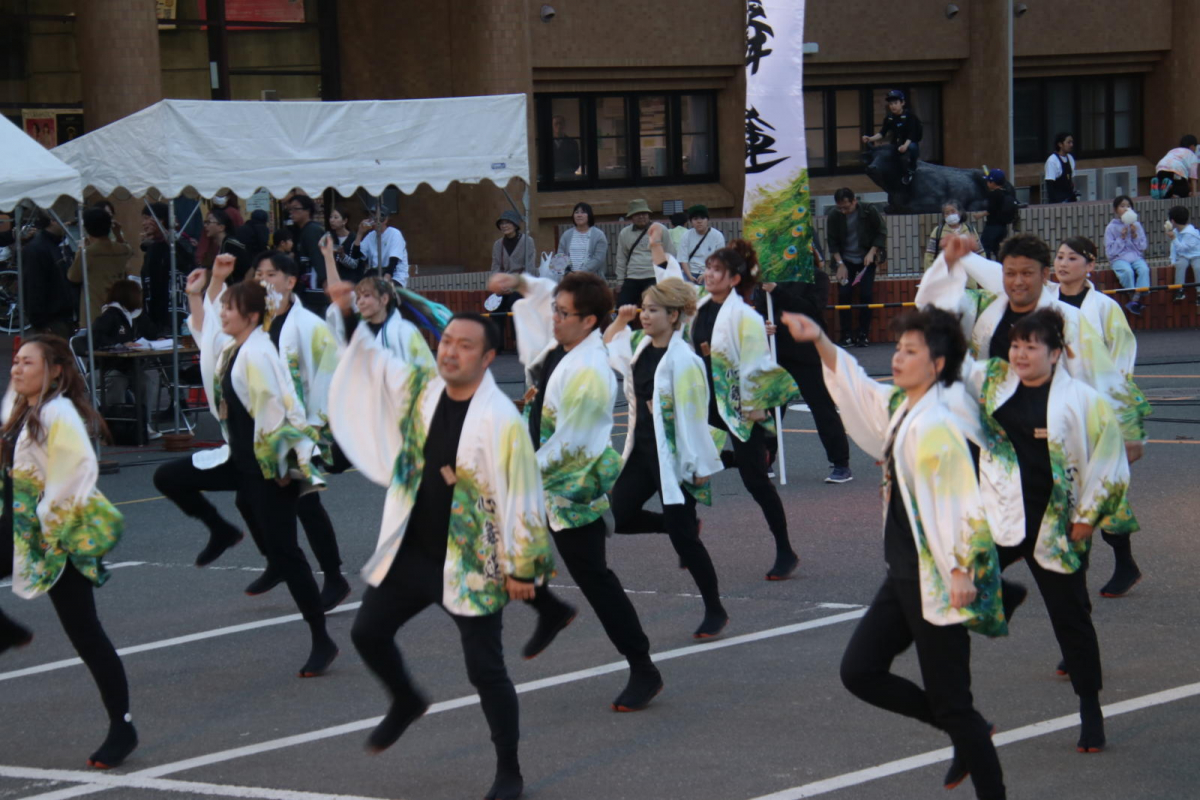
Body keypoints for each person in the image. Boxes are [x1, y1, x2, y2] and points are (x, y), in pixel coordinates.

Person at [779, 307, 1007, 800]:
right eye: (898, 348)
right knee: (860, 672)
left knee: (954, 705)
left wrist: (961, 569)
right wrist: (819, 340)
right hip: (905, 572)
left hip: (939, 578)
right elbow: (859, 389)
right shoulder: (906, 407)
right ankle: (964, 728)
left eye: (910, 351)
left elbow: (962, 502)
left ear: (938, 364)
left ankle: (969, 737)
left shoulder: (939, 425)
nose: (898, 358)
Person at [328, 308, 553, 800]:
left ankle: (509, 769)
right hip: (413, 552)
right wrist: (347, 313)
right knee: (367, 632)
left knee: (485, 670)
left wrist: (523, 569)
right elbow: (380, 365)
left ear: (489, 358)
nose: (450, 351)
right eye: (446, 341)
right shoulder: (426, 390)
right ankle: (406, 699)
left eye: (465, 345)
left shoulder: (501, 420)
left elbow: (524, 496)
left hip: (472, 559)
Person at [955, 306, 1130, 754]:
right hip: (999, 516)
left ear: (1056, 354)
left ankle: (1090, 708)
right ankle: (1005, 594)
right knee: (952, 584)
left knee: (1071, 618)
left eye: (1031, 347)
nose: (1020, 354)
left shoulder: (1081, 400)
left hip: (1054, 525)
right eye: (1016, 345)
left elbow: (1110, 459)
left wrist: (1088, 516)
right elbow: (950, 363)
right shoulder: (994, 383)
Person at [489, 268, 665, 712]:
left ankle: (643, 667)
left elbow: (572, 446)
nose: (554, 317)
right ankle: (550, 608)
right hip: (541, 480)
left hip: (571, 488)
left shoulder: (589, 372)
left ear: (588, 321)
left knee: (596, 580)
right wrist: (518, 283)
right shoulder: (564, 348)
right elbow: (544, 294)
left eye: (563, 313)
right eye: (555, 309)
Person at [152, 259, 338, 677]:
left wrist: (282, 472)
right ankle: (221, 529)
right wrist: (203, 291)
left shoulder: (257, 354)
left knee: (288, 554)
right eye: (223, 307)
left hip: (268, 468)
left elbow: (276, 413)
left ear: (252, 316)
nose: (222, 314)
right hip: (239, 459)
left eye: (229, 308)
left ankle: (321, 638)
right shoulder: (236, 347)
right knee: (168, 476)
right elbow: (206, 333)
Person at [0, 335, 136, 769]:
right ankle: (7, 631)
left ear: (55, 370)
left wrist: (47, 521)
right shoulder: (22, 409)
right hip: (21, 526)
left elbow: (79, 471)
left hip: (58, 535)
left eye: (28, 362)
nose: (17, 368)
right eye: (15, 361)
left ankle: (122, 726)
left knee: (86, 633)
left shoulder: (58, 413)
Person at [604, 278, 728, 638]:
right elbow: (608, 348)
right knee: (619, 516)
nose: (645, 316)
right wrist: (620, 319)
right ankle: (668, 525)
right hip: (641, 452)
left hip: (674, 459)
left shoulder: (684, 360)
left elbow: (695, 415)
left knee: (685, 540)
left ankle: (715, 609)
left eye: (653, 310)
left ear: (674, 316)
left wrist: (700, 465)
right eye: (644, 309)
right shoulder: (640, 347)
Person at [245, 250, 351, 610]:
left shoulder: (307, 325)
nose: (263, 281)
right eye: (258, 275)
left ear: (290, 282)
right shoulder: (254, 321)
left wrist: (313, 426)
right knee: (250, 496)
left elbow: (329, 374)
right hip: (264, 424)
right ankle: (279, 560)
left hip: (301, 424)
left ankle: (333, 576)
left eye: (270, 275)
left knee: (303, 501)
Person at [690, 239, 801, 579]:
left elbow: (756, 363)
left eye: (717, 270)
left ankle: (786, 549)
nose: (709, 274)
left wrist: (755, 407)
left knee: (756, 482)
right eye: (708, 268)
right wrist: (657, 250)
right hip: (707, 401)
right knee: (689, 466)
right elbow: (670, 287)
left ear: (734, 279)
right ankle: (685, 537)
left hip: (740, 405)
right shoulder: (699, 304)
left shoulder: (745, 316)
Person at [1047, 237, 1145, 598]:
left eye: (1072, 258)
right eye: (1059, 257)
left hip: (1096, 411)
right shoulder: (1044, 301)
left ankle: (1124, 562)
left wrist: (1120, 414)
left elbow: (1121, 359)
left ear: (1090, 265)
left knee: (1102, 486)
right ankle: (1070, 563)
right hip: (1055, 408)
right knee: (1061, 486)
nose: (1063, 263)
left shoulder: (1105, 308)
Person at [755, 276, 854, 484]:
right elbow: (761, 309)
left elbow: (810, 309)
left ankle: (840, 463)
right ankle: (766, 458)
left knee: (822, 408)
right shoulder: (770, 275)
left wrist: (777, 290)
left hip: (808, 353)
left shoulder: (816, 276)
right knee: (771, 410)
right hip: (778, 353)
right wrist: (763, 325)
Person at [90, 279, 162, 440]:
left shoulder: (138, 315)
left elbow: (151, 332)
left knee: (145, 381)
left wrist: (157, 338)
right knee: (117, 382)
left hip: (130, 366)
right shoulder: (110, 316)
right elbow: (96, 339)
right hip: (107, 368)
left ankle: (144, 423)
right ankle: (116, 425)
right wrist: (120, 344)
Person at [825, 188, 886, 347]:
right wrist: (840, 264)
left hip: (866, 259)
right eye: (840, 208)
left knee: (866, 295)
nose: (843, 211)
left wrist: (872, 252)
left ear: (854, 201)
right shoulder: (834, 215)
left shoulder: (868, 210)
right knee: (844, 294)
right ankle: (846, 335)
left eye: (846, 207)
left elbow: (881, 232)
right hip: (845, 260)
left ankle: (863, 334)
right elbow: (832, 242)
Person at [68, 207, 135, 327]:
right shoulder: (121, 249)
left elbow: (73, 277)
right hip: (119, 307)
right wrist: (118, 234)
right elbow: (129, 250)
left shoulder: (87, 253)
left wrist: (80, 251)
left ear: (86, 228)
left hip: (95, 310)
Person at [22, 210, 75, 339]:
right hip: (51, 319)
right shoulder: (37, 248)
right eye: (64, 220)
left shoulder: (59, 245)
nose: (68, 223)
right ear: (52, 221)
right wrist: (39, 322)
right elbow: (33, 286)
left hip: (63, 315)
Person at [615, 199, 676, 310]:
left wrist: (669, 277)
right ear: (631, 217)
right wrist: (620, 281)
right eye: (637, 214)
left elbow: (670, 253)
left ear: (648, 214)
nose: (641, 216)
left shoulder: (661, 229)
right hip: (632, 276)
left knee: (654, 306)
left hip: (654, 275)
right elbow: (621, 258)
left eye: (644, 213)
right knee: (622, 306)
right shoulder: (624, 233)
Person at [489, 210, 536, 350]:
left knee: (514, 302)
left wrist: (514, 285)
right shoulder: (498, 244)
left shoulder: (527, 241)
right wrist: (499, 285)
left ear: (515, 225)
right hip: (503, 284)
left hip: (521, 283)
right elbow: (495, 267)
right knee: (495, 307)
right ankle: (496, 344)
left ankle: (520, 343)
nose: (504, 226)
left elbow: (530, 267)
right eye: (502, 223)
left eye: (507, 222)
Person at [862, 89, 923, 185]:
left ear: (902, 103)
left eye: (895, 103)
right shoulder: (889, 118)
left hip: (910, 142)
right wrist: (870, 138)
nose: (893, 106)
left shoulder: (910, 116)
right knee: (884, 152)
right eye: (891, 104)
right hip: (897, 143)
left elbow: (912, 134)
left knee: (912, 148)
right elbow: (882, 133)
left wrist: (905, 146)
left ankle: (911, 170)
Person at [1103, 196, 1149, 314]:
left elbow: (1143, 247)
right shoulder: (1111, 228)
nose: (1126, 209)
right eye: (1122, 206)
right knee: (1127, 271)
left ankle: (1136, 298)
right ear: (1115, 209)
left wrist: (1135, 235)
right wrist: (1122, 237)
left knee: (1144, 269)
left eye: (1128, 206)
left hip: (1135, 256)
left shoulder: (1136, 225)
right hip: (1119, 258)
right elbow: (1110, 252)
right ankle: (1133, 298)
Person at [286, 194, 328, 313]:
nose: (292, 212)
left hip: (314, 291)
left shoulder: (312, 230)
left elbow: (318, 258)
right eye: (290, 209)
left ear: (307, 211)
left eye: (296, 208)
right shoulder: (301, 231)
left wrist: (325, 281)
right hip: (305, 290)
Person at [923, 200, 982, 270]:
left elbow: (980, 252)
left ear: (960, 212)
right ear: (944, 216)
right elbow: (929, 255)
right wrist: (930, 272)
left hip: (968, 273)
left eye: (953, 212)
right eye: (947, 213)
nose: (950, 215)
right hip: (945, 273)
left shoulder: (970, 229)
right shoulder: (938, 231)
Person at [353, 215, 409, 287]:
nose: (374, 222)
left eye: (376, 220)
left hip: (395, 276)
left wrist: (384, 282)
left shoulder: (395, 233)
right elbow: (356, 255)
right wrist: (360, 233)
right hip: (375, 274)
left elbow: (393, 262)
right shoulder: (371, 236)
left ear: (385, 220)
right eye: (372, 219)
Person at [973, 169, 1016, 261]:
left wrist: (979, 215)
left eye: (988, 181)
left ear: (992, 182)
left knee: (985, 247)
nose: (987, 183)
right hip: (1003, 227)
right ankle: (1002, 266)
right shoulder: (1006, 192)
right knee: (998, 249)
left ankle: (987, 266)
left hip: (992, 226)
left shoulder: (994, 194)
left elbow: (991, 209)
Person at [555, 202, 608, 276]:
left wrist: (581, 273)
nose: (579, 215)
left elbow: (598, 259)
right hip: (569, 278)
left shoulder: (599, 235)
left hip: (591, 278)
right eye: (576, 212)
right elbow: (560, 257)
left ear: (589, 215)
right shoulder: (566, 235)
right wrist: (568, 273)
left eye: (583, 212)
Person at [200, 208, 251, 283]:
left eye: (208, 222)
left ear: (221, 227)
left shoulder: (231, 245)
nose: (205, 225)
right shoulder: (222, 245)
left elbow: (248, 268)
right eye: (205, 222)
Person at [677, 204, 726, 282]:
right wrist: (689, 276)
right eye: (695, 219)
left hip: (710, 272)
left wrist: (706, 274)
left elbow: (719, 259)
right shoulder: (686, 236)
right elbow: (683, 259)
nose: (699, 221)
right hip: (689, 272)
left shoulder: (718, 236)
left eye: (702, 218)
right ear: (691, 222)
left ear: (707, 220)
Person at [1166, 205, 1200, 304]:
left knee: (1198, 267)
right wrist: (1173, 261)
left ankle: (1199, 292)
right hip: (1184, 256)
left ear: (1172, 221)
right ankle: (1179, 289)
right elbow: (1174, 248)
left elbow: (1182, 248)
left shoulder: (1191, 233)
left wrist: (1174, 238)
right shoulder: (1176, 231)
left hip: (1197, 255)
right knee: (1180, 265)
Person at [1152, 134, 1200, 199]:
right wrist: (1194, 193)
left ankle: (1158, 186)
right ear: (1192, 146)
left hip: (1161, 167)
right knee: (1184, 191)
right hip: (1176, 169)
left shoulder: (1173, 150)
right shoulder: (1192, 155)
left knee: (1166, 188)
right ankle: (1170, 188)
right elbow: (1193, 176)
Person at [326, 207, 363, 285]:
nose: (332, 220)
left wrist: (342, 255)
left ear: (345, 221)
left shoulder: (353, 238)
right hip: (333, 281)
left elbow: (354, 264)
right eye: (331, 217)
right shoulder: (329, 236)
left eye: (336, 217)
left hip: (350, 282)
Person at [1044, 132, 1077, 203]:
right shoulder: (1052, 160)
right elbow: (1049, 185)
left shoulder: (1070, 158)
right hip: (1058, 201)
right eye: (1068, 142)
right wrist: (1054, 204)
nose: (1071, 145)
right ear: (1060, 144)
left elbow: (1071, 181)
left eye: (1072, 142)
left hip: (1070, 199)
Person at [551, 114, 581, 180]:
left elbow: (576, 163)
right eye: (556, 124)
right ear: (552, 126)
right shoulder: (547, 144)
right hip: (552, 178)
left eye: (561, 123)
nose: (559, 126)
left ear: (564, 125)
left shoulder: (572, 143)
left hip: (568, 177)